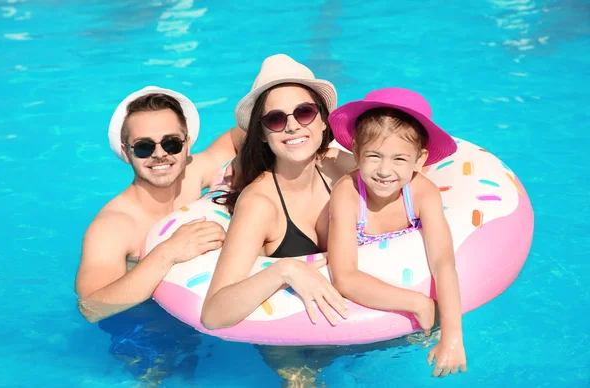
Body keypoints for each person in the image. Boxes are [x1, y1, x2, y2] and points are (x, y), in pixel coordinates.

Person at [200, 54, 356, 386]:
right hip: (292, 351)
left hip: (354, 325)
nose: (293, 125)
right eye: (275, 119)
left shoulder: (335, 165)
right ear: (261, 134)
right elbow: (214, 313)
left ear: (323, 120)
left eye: (304, 111)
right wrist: (286, 269)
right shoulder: (259, 204)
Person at [75, 86, 243, 382]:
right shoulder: (113, 226)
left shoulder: (194, 172)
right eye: (144, 147)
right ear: (127, 154)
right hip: (146, 325)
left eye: (171, 143)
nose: (160, 155)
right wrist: (166, 253)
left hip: (203, 304)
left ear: (187, 144)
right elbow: (92, 307)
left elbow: (242, 133)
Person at [326, 87, 467, 377]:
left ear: (419, 160)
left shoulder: (422, 193)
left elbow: (443, 263)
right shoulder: (348, 194)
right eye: (374, 156)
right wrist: (416, 301)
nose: (384, 170)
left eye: (399, 159)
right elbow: (343, 276)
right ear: (356, 153)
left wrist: (453, 337)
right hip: (365, 311)